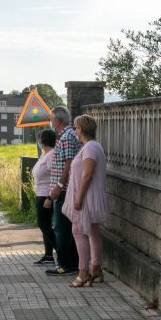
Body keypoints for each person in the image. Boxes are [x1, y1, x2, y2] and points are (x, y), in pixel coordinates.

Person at [63, 115, 109, 287]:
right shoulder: (92, 146)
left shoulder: (90, 148)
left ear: (81, 129)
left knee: (79, 232)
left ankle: (83, 273)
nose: (74, 130)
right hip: (90, 196)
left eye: (76, 127)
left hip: (87, 197)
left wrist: (79, 197)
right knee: (92, 232)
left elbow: (87, 174)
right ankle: (96, 269)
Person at [46, 106, 81, 276]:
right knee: (66, 228)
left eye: (51, 119)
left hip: (64, 190)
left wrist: (59, 186)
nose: (50, 122)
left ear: (57, 121)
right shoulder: (66, 135)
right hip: (63, 189)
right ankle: (71, 263)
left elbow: (69, 162)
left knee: (61, 228)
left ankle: (65, 265)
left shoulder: (66, 137)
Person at [31, 129, 57, 265]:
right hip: (40, 193)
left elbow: (55, 175)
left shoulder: (51, 155)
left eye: (39, 139)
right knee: (45, 225)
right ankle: (48, 255)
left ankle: (61, 251)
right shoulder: (45, 155)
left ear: (42, 141)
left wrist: (49, 197)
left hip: (46, 195)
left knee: (44, 225)